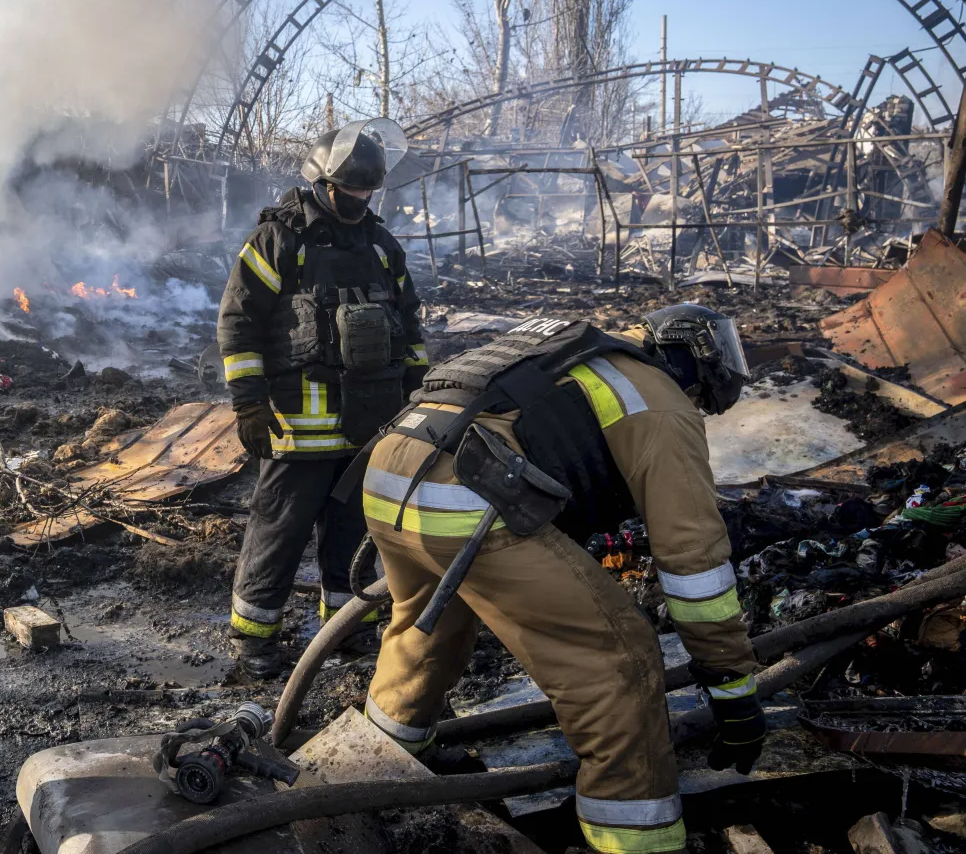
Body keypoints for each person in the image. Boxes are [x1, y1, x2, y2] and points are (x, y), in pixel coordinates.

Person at [358, 305, 764, 854]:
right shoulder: (661, 402)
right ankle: (635, 839)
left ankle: (381, 765)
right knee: (616, 660)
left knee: (427, 629)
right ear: (694, 359)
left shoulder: (584, 355)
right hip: (469, 495)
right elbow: (695, 564)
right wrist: (733, 686)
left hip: (389, 473)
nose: (697, 405)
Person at [217, 119, 429, 677]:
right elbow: (238, 324)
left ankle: (347, 631)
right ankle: (255, 640)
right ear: (321, 183)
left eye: (367, 192)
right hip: (297, 426)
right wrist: (249, 403)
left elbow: (409, 327)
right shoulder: (279, 239)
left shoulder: (382, 246)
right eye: (349, 191)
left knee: (356, 538)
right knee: (279, 532)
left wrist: (416, 398)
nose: (359, 201)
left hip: (369, 425)